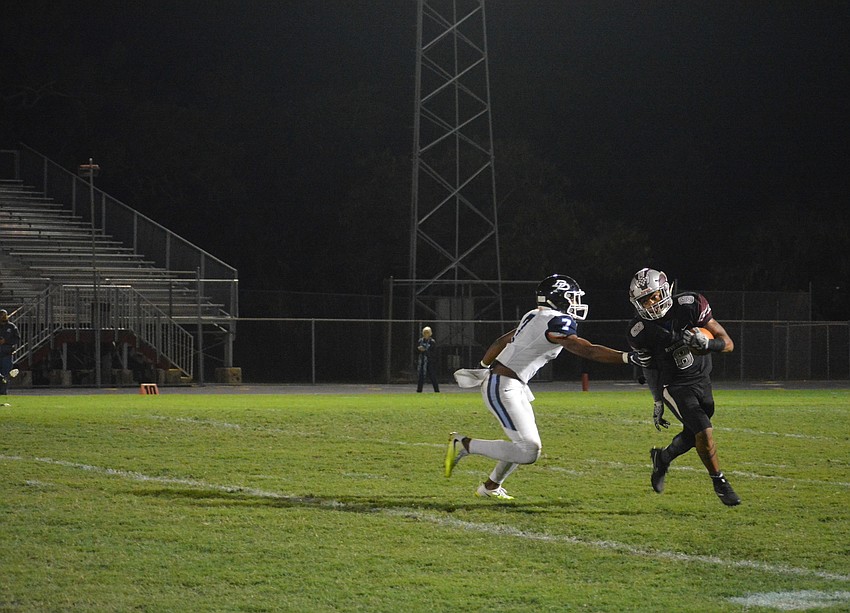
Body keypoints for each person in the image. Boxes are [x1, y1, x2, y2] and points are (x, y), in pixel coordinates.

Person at [445, 274, 648, 500]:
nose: (575, 302)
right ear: (558, 297)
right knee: (529, 450)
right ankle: (463, 444)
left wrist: (483, 365)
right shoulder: (556, 320)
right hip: (504, 385)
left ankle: (491, 487)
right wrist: (627, 358)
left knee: (522, 443)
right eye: (571, 297)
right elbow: (586, 350)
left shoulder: (534, 315)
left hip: (511, 384)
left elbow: (501, 341)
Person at [626, 267, 741, 506]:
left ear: (665, 290)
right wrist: (658, 401)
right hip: (674, 385)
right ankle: (719, 480)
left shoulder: (691, 304)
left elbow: (728, 343)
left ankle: (663, 458)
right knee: (704, 431)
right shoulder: (639, 331)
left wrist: (708, 345)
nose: (651, 303)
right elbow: (649, 369)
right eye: (644, 300)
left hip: (702, 379)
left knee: (693, 434)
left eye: (654, 296)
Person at [0, 309, 21, 404]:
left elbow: (17, 339)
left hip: (6, 354)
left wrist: (6, 342)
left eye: (3, 315)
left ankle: (3, 392)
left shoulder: (11, 327)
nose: (2, 317)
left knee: (5, 375)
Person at [416, 326, 440, 393]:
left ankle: (437, 391)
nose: (426, 334)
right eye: (425, 333)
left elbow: (434, 353)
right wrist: (419, 350)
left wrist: (425, 351)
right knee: (421, 376)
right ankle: (419, 391)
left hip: (430, 361)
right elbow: (416, 350)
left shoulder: (432, 342)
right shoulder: (420, 341)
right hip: (422, 361)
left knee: (432, 376)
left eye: (427, 333)